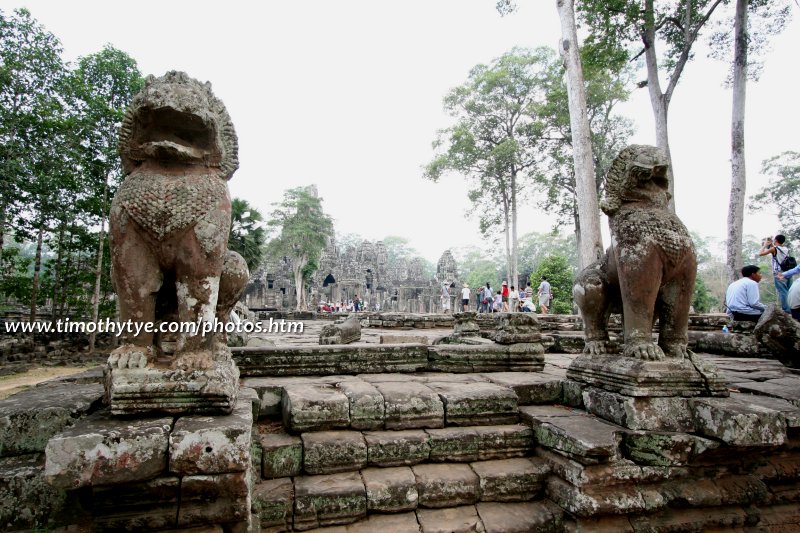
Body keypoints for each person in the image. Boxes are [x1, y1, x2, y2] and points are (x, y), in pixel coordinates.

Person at [758, 234, 792, 312]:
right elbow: (777, 250)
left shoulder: (774, 249)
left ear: (776, 241)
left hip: (779, 273)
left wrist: (764, 245)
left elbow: (760, 253)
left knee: (783, 291)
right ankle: (792, 308)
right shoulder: (786, 249)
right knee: (789, 290)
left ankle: (787, 310)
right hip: (788, 272)